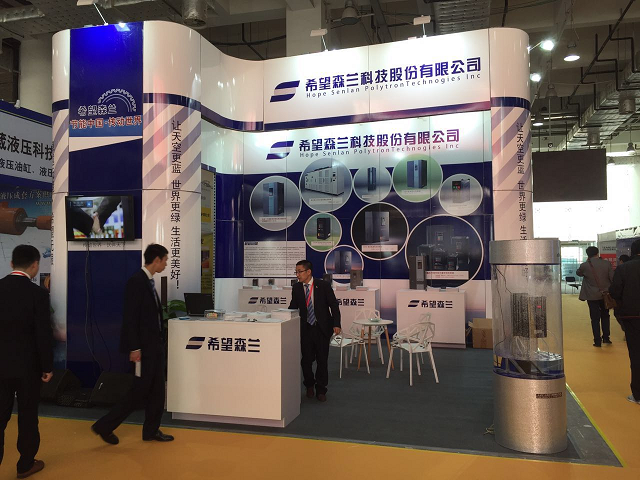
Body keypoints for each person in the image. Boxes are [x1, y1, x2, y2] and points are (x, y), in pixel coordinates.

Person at [91, 244, 174, 444]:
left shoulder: (149, 282)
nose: (166, 264)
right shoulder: (136, 282)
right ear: (156, 260)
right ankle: (104, 426)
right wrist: (134, 348)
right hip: (143, 350)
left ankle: (151, 430)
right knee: (138, 392)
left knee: (157, 391)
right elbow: (130, 317)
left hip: (155, 347)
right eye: (165, 260)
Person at [0, 245, 53, 478]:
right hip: (28, 368)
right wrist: (47, 366)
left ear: (11, 264)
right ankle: (25, 464)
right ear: (35, 265)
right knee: (28, 415)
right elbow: (43, 334)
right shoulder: (38, 294)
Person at [289, 260, 341, 402]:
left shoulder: (323, 285)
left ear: (308, 272)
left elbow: (334, 305)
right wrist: (284, 317)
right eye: (296, 272)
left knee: (322, 360)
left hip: (322, 328)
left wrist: (336, 324)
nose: (297, 275)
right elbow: (293, 307)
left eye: (300, 272)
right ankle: (309, 385)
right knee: (306, 361)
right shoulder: (297, 288)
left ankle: (321, 389)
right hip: (306, 329)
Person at [609, 239, 640, 404]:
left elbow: (615, 292)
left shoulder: (624, 268)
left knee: (636, 355)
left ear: (633, 251)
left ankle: (638, 395)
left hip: (632, 317)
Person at [576, 246, 614, 347]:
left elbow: (578, 273)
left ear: (587, 254)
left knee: (594, 318)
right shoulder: (606, 263)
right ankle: (606, 337)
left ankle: (597, 340)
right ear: (597, 253)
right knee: (605, 315)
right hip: (605, 294)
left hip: (591, 295)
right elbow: (612, 277)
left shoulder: (584, 265)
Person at [614, 254, 631, 336]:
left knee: (618, 314)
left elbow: (616, 285)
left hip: (622, 297)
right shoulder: (633, 268)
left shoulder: (620, 269)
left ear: (621, 261)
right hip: (632, 296)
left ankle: (626, 330)